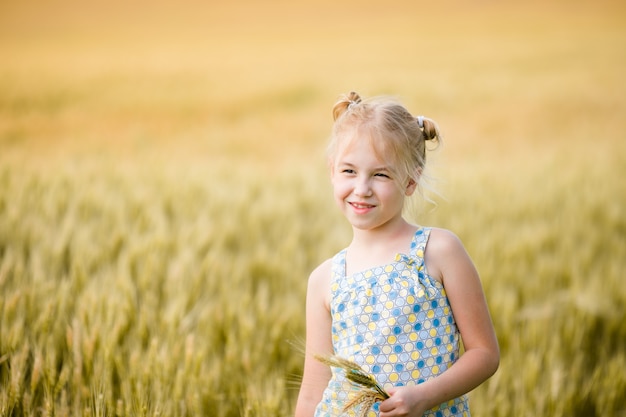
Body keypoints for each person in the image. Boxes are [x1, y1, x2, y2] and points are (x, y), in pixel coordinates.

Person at [295, 92, 499, 417]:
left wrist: (424, 397)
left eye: (381, 174)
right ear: (332, 171)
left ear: (411, 180)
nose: (361, 188)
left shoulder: (439, 252)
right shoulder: (324, 279)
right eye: (349, 171)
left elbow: (485, 353)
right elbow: (313, 391)